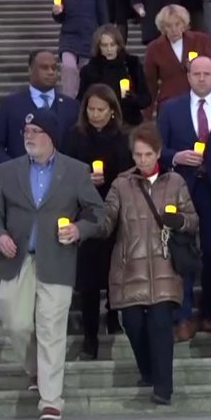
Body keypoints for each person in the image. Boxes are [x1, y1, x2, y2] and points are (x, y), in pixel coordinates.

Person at [0, 109, 105, 420]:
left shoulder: (75, 171)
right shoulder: (8, 171)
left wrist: (78, 229)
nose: (28, 136)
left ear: (50, 136)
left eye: (35, 131)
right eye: (26, 131)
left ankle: (51, 399)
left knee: (51, 328)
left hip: (57, 259)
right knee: (16, 323)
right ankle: (35, 368)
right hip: (17, 259)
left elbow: (98, 212)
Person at [96, 123, 198, 405]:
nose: (142, 160)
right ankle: (148, 371)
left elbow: (193, 220)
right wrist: (88, 220)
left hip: (165, 265)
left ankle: (163, 388)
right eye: (138, 155)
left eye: (148, 154)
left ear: (159, 153)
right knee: (133, 324)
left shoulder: (175, 182)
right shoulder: (121, 184)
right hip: (130, 266)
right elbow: (106, 221)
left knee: (161, 324)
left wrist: (181, 221)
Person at [157, 56, 211, 340]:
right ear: (188, 76)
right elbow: (158, 148)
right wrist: (176, 156)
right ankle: (182, 316)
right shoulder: (171, 109)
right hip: (182, 190)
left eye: (207, 74)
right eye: (196, 74)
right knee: (181, 252)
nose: (201, 78)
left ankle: (209, 313)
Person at [60, 84, 134, 359]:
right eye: (91, 109)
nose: (95, 114)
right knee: (89, 278)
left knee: (116, 270)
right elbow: (63, 172)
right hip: (86, 213)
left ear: (112, 111)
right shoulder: (74, 136)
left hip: (117, 210)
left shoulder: (124, 137)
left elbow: (131, 173)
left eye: (101, 110)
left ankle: (114, 316)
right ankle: (90, 336)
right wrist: (83, 181)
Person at [0, 50, 80, 168]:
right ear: (30, 70)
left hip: (62, 176)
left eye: (54, 68)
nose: (51, 72)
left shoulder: (72, 106)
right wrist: (12, 170)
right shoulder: (9, 105)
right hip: (19, 177)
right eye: (44, 68)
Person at [51, 0, 107, 99]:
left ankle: (83, 102)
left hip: (89, 38)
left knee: (85, 74)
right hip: (69, 38)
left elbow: (103, 17)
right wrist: (57, 12)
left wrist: (105, 36)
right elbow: (59, 18)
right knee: (68, 67)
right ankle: (68, 100)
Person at [143, 5, 211, 116]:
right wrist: (147, 115)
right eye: (169, 26)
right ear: (163, 28)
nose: (174, 30)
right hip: (169, 104)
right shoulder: (154, 48)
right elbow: (150, 83)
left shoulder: (200, 40)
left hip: (197, 102)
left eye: (177, 24)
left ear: (184, 24)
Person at [78, 25, 150, 126]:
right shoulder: (89, 70)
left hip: (128, 121)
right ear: (98, 47)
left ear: (118, 45)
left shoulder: (131, 65)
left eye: (112, 45)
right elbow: (81, 100)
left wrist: (132, 99)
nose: (109, 49)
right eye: (104, 45)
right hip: (100, 123)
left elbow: (146, 98)